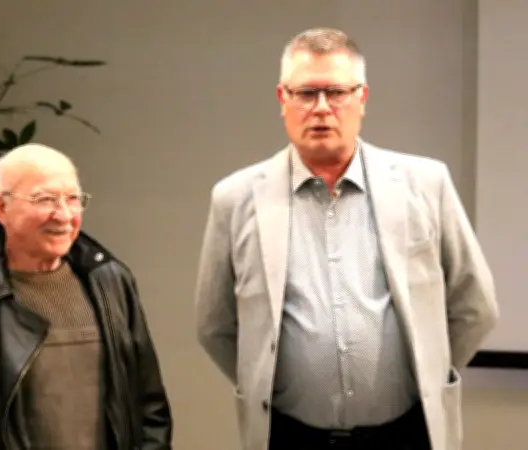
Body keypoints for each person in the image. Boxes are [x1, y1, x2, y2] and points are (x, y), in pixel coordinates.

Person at [194, 28, 498, 450]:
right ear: (283, 99)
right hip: (289, 435)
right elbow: (215, 324)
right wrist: (269, 382)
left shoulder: (426, 183)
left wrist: (425, 372)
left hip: (407, 433)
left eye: (336, 92)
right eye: (305, 94)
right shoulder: (235, 197)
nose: (321, 109)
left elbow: (474, 306)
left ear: (362, 99)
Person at [0, 143, 173, 450]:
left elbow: (149, 409)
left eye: (73, 199)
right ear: (0, 207)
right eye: (45, 199)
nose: (63, 215)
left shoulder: (111, 283)